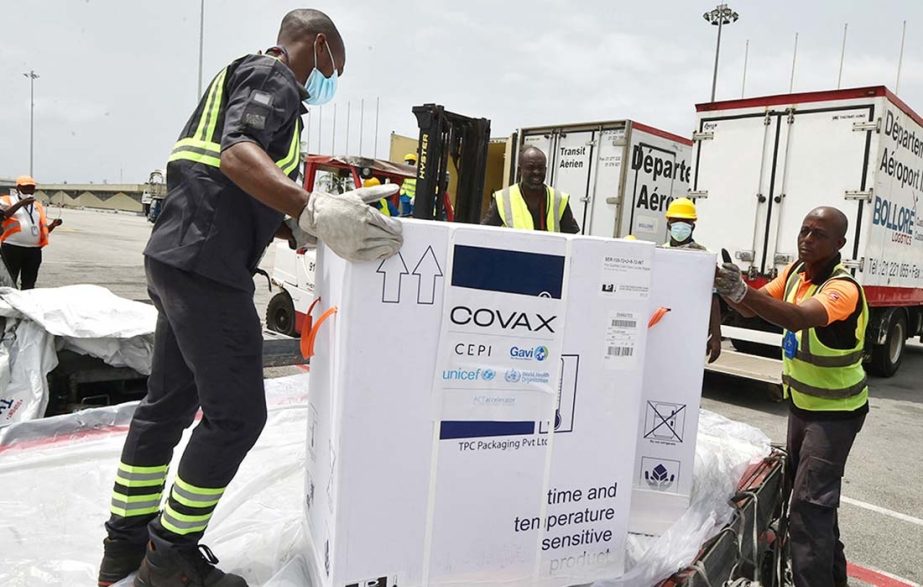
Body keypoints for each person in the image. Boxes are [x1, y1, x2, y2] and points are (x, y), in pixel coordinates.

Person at [97, 9, 401, 587]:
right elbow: (238, 155)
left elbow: (224, 173)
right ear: (319, 45)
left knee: (164, 408)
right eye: (336, 64)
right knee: (237, 416)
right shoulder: (275, 77)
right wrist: (309, 206)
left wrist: (300, 226)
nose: (333, 79)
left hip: (175, 256)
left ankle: (124, 549)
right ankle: (170, 557)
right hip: (209, 267)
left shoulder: (238, 74)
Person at [715, 206, 868, 587]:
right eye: (804, 230)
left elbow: (797, 318)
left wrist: (743, 292)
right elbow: (753, 309)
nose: (807, 239)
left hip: (835, 413)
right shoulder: (797, 273)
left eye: (818, 234)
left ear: (839, 244)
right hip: (804, 407)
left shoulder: (842, 289)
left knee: (807, 511)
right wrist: (730, 290)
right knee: (817, 506)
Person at [662, 197, 722, 363]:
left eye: (686, 222)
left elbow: (713, 296)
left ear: (693, 226)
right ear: (668, 224)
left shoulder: (705, 256)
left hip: (693, 325)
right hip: (665, 323)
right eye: (676, 221)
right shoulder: (661, 253)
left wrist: (716, 335)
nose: (680, 226)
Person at [481, 146, 580, 233]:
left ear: (545, 170)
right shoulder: (503, 199)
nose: (536, 172)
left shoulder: (559, 199)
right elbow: (486, 234)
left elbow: (571, 239)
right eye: (530, 167)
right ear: (520, 171)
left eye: (540, 168)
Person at [0, 175, 63, 289]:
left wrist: (53, 225)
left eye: (32, 187)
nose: (29, 190)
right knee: (9, 281)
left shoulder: (37, 206)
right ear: (18, 188)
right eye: (26, 187)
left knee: (29, 282)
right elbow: (2, 216)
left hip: (33, 250)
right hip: (12, 247)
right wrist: (21, 204)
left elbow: (41, 230)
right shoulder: (7, 200)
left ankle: (25, 302)